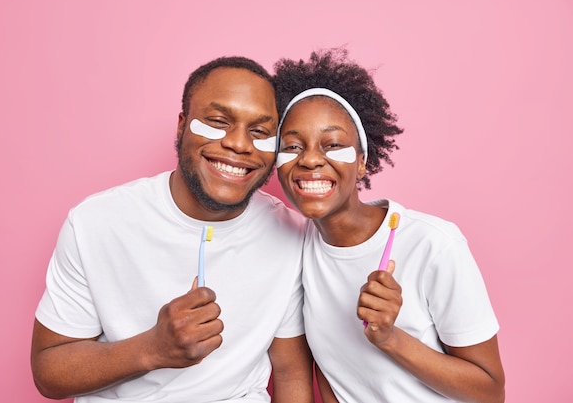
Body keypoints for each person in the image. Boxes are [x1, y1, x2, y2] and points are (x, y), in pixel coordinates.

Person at [31, 56, 314, 402]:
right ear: (182, 126)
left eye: (259, 132)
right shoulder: (96, 223)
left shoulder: (292, 234)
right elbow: (49, 372)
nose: (239, 144)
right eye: (218, 121)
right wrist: (152, 349)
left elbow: (291, 373)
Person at [272, 48, 505, 403]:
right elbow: (331, 374)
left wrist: (390, 338)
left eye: (333, 144)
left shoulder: (433, 244)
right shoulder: (295, 247)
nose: (311, 159)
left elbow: (491, 392)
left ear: (362, 162)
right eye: (292, 145)